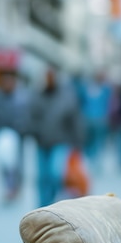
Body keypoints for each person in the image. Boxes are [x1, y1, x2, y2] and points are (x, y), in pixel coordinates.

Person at [30, 67, 86, 207]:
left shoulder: (66, 96)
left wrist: (78, 143)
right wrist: (32, 131)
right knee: (42, 177)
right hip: (42, 142)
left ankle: (52, 201)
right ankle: (42, 206)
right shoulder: (37, 96)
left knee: (55, 174)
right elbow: (30, 117)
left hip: (60, 141)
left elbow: (75, 120)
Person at [0, 71, 32, 201]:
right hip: (3, 136)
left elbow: (26, 117)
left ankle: (16, 187)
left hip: (17, 136)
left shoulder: (21, 99)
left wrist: (22, 129)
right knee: (4, 164)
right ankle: (8, 188)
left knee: (17, 164)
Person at [79, 71, 112, 175]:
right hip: (94, 118)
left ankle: (95, 161)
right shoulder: (103, 89)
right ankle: (94, 160)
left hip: (94, 118)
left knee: (95, 141)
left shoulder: (90, 88)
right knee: (94, 141)